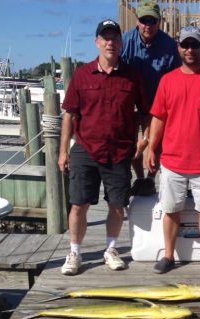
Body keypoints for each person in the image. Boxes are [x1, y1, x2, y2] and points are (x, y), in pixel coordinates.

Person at [58, 19, 149, 275]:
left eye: (115, 38)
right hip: (85, 149)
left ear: (121, 43)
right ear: (97, 42)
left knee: (117, 205)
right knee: (78, 204)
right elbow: (69, 115)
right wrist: (63, 151)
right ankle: (74, 252)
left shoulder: (132, 76)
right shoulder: (82, 74)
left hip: (120, 151)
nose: (110, 43)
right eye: (105, 38)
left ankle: (110, 249)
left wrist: (144, 138)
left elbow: (145, 113)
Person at [146, 26, 200, 274]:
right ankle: (169, 256)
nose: (190, 50)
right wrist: (152, 148)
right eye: (185, 45)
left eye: (195, 45)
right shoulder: (167, 80)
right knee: (171, 210)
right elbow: (158, 118)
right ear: (179, 48)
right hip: (172, 161)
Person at [121, 0, 180, 194]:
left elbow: (176, 78)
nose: (148, 25)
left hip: (157, 105)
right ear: (137, 21)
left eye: (152, 21)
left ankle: (150, 178)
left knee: (155, 143)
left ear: (159, 22)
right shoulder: (125, 41)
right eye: (144, 20)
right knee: (132, 145)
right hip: (130, 104)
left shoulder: (170, 45)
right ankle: (139, 178)